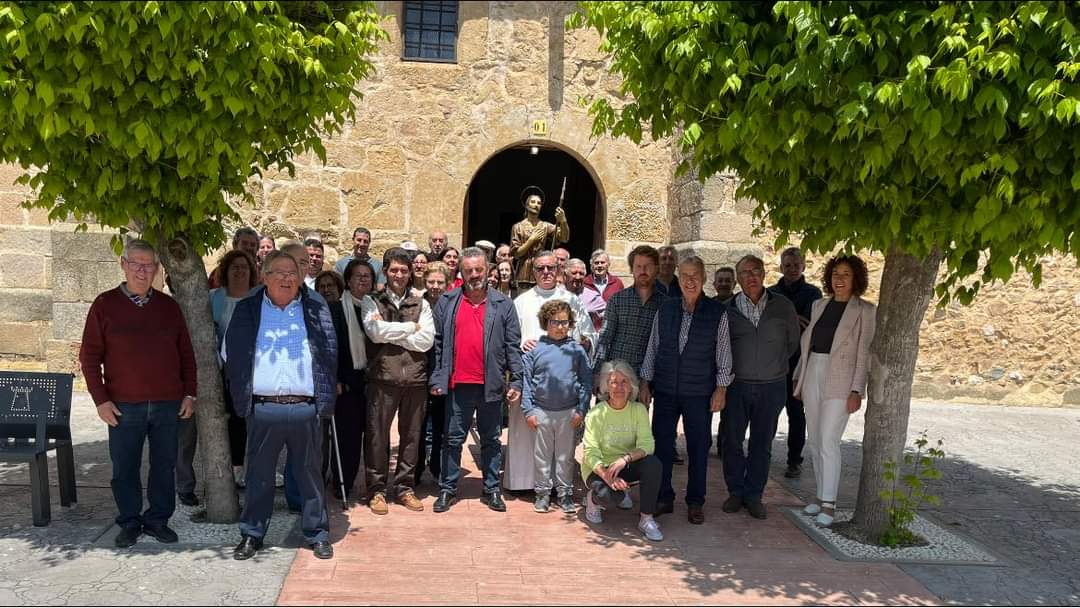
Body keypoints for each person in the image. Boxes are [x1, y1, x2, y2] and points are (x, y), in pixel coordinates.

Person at [79, 239, 197, 548]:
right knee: (124, 469)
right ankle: (130, 522)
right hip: (122, 406)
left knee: (164, 466)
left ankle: (158, 520)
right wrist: (101, 400)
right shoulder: (104, 305)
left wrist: (190, 394)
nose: (142, 271)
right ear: (123, 265)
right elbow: (89, 357)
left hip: (167, 404)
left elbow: (186, 354)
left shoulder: (169, 307)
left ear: (157, 269)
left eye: (148, 265)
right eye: (136, 264)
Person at [224, 250, 337, 561]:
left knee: (310, 475)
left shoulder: (315, 306)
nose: (288, 278)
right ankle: (252, 534)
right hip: (263, 408)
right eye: (280, 272)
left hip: (305, 407)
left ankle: (317, 533)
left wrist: (323, 400)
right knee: (258, 476)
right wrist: (243, 395)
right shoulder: (249, 309)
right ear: (265, 276)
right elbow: (232, 355)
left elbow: (328, 352)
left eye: (293, 272)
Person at [638, 256, 733, 525]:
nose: (690, 281)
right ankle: (664, 497)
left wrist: (721, 389)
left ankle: (695, 501)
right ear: (678, 279)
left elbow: (724, 355)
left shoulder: (717, 313)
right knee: (662, 446)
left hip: (699, 393)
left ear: (703, 280)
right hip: (667, 390)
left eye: (696, 276)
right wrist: (645, 382)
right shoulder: (666, 309)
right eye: (685, 275)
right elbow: (653, 348)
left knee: (698, 448)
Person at [430, 247, 523, 513]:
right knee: (452, 439)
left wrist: (516, 381)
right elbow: (437, 344)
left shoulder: (503, 304)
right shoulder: (448, 301)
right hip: (457, 384)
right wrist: (437, 377)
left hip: (490, 384)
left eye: (478, 269)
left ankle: (491, 489)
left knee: (491, 439)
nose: (474, 275)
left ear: (487, 270)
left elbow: (512, 346)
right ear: (460, 272)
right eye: (468, 270)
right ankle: (448, 488)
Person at [793, 255, 875, 527]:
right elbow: (808, 347)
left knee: (829, 439)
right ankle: (819, 496)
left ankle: (830, 503)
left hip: (841, 380)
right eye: (836, 273)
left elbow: (864, 353)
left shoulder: (865, 311)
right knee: (815, 439)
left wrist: (856, 390)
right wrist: (800, 378)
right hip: (814, 371)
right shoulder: (819, 305)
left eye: (846, 274)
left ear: (856, 279)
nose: (839, 279)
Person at [508, 251, 597, 492]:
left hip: (562, 384)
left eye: (550, 268)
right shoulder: (521, 301)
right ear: (533, 271)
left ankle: (558, 486)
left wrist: (584, 343)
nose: (546, 272)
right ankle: (524, 483)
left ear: (558, 270)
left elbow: (589, 334)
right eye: (540, 268)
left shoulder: (572, 300)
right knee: (528, 432)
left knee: (560, 440)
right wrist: (520, 344)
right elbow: (511, 337)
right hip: (531, 379)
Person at [721, 254, 800, 520]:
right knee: (731, 441)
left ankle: (754, 495)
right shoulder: (727, 309)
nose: (751, 277)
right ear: (738, 278)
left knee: (762, 443)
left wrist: (770, 365)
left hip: (771, 386)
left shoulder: (783, 306)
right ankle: (735, 491)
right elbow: (721, 348)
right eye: (745, 272)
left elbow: (792, 344)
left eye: (756, 271)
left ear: (764, 274)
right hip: (736, 386)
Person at [360, 249, 435, 515]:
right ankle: (376, 490)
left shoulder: (421, 303)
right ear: (385, 271)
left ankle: (404, 488)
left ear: (410, 272)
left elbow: (426, 341)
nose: (399, 275)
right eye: (394, 270)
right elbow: (374, 332)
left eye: (404, 270)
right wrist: (410, 329)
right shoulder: (372, 301)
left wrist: (391, 332)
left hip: (415, 378)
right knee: (377, 437)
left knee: (412, 437)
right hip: (383, 378)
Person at [521, 301, 592, 514]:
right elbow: (525, 381)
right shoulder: (535, 350)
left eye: (565, 322)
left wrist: (581, 409)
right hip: (541, 412)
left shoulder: (577, 351)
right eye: (555, 322)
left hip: (568, 412)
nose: (560, 327)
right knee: (542, 456)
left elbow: (586, 381)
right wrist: (529, 410)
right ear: (545, 323)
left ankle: (565, 493)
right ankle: (542, 493)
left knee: (565, 456)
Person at [582, 360, 663, 542]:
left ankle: (646, 518)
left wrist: (625, 459)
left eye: (624, 381)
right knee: (609, 497)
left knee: (653, 464)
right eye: (614, 382)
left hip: (624, 465)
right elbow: (590, 453)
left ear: (631, 386)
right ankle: (593, 500)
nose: (619, 387)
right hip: (599, 468)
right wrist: (608, 476)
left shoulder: (638, 410)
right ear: (606, 386)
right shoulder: (596, 414)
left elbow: (647, 445)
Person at [769, 247, 823, 479]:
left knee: (796, 413)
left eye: (796, 265)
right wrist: (793, 320)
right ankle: (763, 453)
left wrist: (788, 321)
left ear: (803, 266)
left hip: (799, 362)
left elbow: (811, 325)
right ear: (781, 267)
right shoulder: (770, 292)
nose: (792, 269)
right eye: (787, 265)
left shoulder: (813, 294)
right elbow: (771, 323)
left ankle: (794, 461)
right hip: (773, 361)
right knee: (768, 412)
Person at [209, 250, 259, 489]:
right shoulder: (213, 298)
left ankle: (249, 468)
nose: (240, 271)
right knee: (228, 420)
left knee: (247, 418)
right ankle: (229, 469)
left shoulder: (258, 297)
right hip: (219, 369)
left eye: (245, 267)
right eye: (234, 267)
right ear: (226, 271)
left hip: (250, 368)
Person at [326, 259, 375, 499]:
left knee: (375, 436)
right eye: (358, 275)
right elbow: (330, 347)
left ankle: (374, 486)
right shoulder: (336, 308)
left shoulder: (378, 308)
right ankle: (342, 482)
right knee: (348, 437)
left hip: (374, 381)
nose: (363, 279)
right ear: (347, 280)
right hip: (346, 382)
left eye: (367, 275)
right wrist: (335, 378)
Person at [593, 245, 664, 378]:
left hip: (645, 379)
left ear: (656, 269)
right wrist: (597, 373)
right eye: (638, 266)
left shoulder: (665, 305)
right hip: (615, 376)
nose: (643, 270)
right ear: (632, 269)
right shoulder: (617, 300)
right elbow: (605, 339)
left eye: (648, 266)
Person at [415, 262, 451, 486]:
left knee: (440, 424)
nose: (435, 286)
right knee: (417, 425)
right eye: (431, 282)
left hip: (443, 370)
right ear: (424, 281)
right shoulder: (417, 304)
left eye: (440, 282)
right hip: (418, 370)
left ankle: (437, 467)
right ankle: (416, 468)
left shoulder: (451, 305)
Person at [510, 192, 569, 288]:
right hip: (523, 272)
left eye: (539, 203)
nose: (536, 205)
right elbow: (516, 254)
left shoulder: (545, 226)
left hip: (541, 269)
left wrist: (563, 221)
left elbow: (564, 238)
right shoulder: (518, 227)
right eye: (533, 202)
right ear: (527, 204)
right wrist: (531, 240)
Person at [565, 258, 606, 331]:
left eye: (581, 274)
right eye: (574, 273)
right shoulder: (557, 292)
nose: (578, 277)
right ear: (566, 274)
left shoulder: (593, 296)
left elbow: (610, 318)